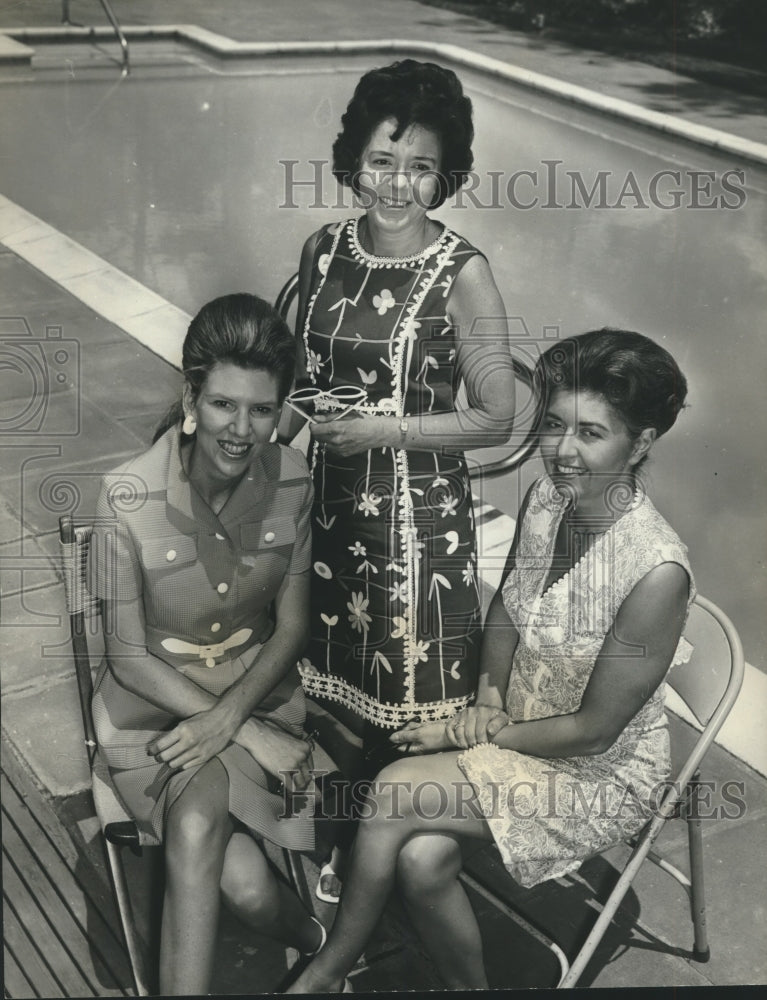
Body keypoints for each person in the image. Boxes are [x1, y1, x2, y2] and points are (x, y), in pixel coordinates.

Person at [287, 328, 695, 991]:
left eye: (591, 433)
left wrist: (464, 735)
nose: (562, 451)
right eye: (554, 425)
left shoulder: (655, 573)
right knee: (419, 860)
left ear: (641, 441)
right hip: (516, 727)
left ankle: (323, 976)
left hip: (598, 773)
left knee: (394, 789)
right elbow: (505, 609)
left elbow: (594, 732)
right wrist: (485, 698)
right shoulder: (548, 499)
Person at [283, 58, 517, 901]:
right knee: (339, 692)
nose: (396, 184)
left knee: (402, 700)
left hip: (416, 533)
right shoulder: (322, 251)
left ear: (443, 175)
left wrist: (382, 429)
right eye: (382, 161)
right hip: (332, 512)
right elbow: (297, 381)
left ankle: (377, 862)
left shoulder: (463, 272)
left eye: (419, 167)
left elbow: (496, 417)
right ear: (354, 160)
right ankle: (353, 838)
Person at [88, 294, 327, 995]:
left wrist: (237, 718)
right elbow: (126, 656)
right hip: (156, 716)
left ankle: (323, 943)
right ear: (191, 398)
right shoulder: (125, 497)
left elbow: (292, 627)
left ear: (280, 411)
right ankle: (328, 942)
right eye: (224, 404)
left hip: (260, 699)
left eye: (262, 410)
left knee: (246, 889)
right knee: (215, 852)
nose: (242, 429)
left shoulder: (292, 479)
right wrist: (237, 730)